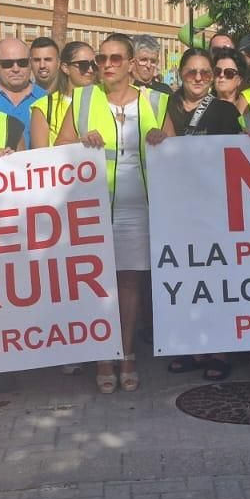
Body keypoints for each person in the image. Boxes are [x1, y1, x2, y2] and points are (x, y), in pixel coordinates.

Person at [57, 34, 166, 394]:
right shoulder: (84, 98)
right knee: (99, 281)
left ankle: (127, 352)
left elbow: (177, 153)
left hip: (139, 205)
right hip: (94, 204)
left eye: (116, 58)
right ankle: (104, 353)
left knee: (130, 281)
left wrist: (161, 140)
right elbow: (57, 150)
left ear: (133, 63)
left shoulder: (156, 101)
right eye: (101, 58)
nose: (106, 65)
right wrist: (79, 141)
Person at [154, 48, 246, 383]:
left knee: (216, 278)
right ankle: (191, 345)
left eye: (205, 73)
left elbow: (240, 151)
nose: (198, 78)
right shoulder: (163, 106)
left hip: (214, 205)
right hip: (175, 205)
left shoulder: (224, 110)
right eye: (191, 71)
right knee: (184, 277)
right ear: (179, 73)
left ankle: (219, 348)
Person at [30, 41, 97, 149]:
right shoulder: (44, 107)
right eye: (83, 65)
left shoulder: (103, 100)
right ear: (65, 68)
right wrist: (81, 143)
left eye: (94, 65)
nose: (90, 70)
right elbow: (40, 156)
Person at [0, 36, 47, 132]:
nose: (16, 69)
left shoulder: (46, 98)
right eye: (7, 64)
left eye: (22, 62)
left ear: (30, 63)